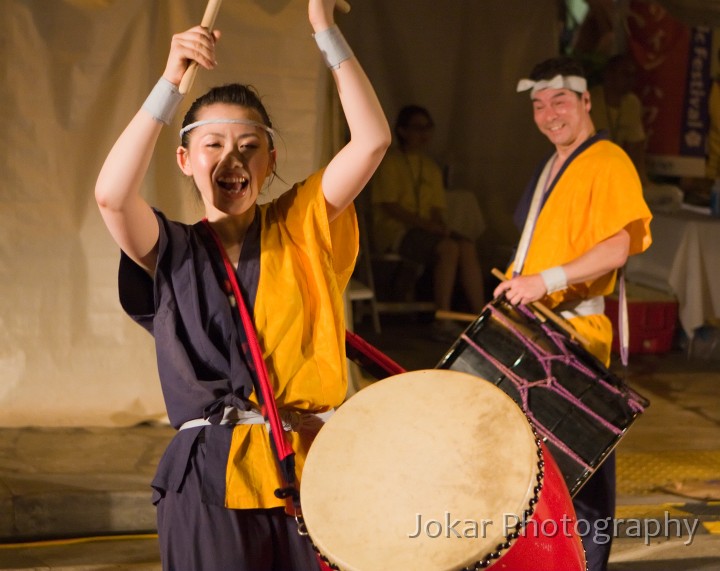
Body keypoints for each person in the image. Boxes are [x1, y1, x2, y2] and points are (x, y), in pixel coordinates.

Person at [94, 1, 390, 569]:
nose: (233, 157)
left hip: (311, 470)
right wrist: (169, 82)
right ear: (184, 159)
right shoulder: (172, 248)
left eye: (249, 146)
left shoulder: (301, 223)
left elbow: (371, 140)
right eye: (214, 145)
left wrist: (323, 30)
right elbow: (111, 195)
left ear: (270, 158)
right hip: (210, 473)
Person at [496, 56, 652, 571]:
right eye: (538, 105)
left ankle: (588, 564)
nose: (548, 114)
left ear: (587, 102)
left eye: (560, 101)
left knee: (579, 468)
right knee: (548, 464)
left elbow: (617, 247)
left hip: (575, 333)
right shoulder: (554, 163)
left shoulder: (607, 159)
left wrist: (545, 282)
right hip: (539, 329)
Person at [370, 105, 485, 340]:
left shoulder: (430, 166)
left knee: (466, 245)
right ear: (402, 130)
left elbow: (436, 209)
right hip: (397, 232)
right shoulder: (390, 162)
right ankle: (442, 318)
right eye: (417, 128)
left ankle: (482, 315)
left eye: (427, 128)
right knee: (449, 248)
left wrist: (439, 227)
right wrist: (429, 226)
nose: (424, 133)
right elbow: (390, 206)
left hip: (424, 231)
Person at [590, 53, 649, 185]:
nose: (631, 80)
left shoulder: (632, 102)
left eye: (633, 75)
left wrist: (640, 181)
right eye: (625, 74)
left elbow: (636, 145)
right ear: (608, 75)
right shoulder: (590, 101)